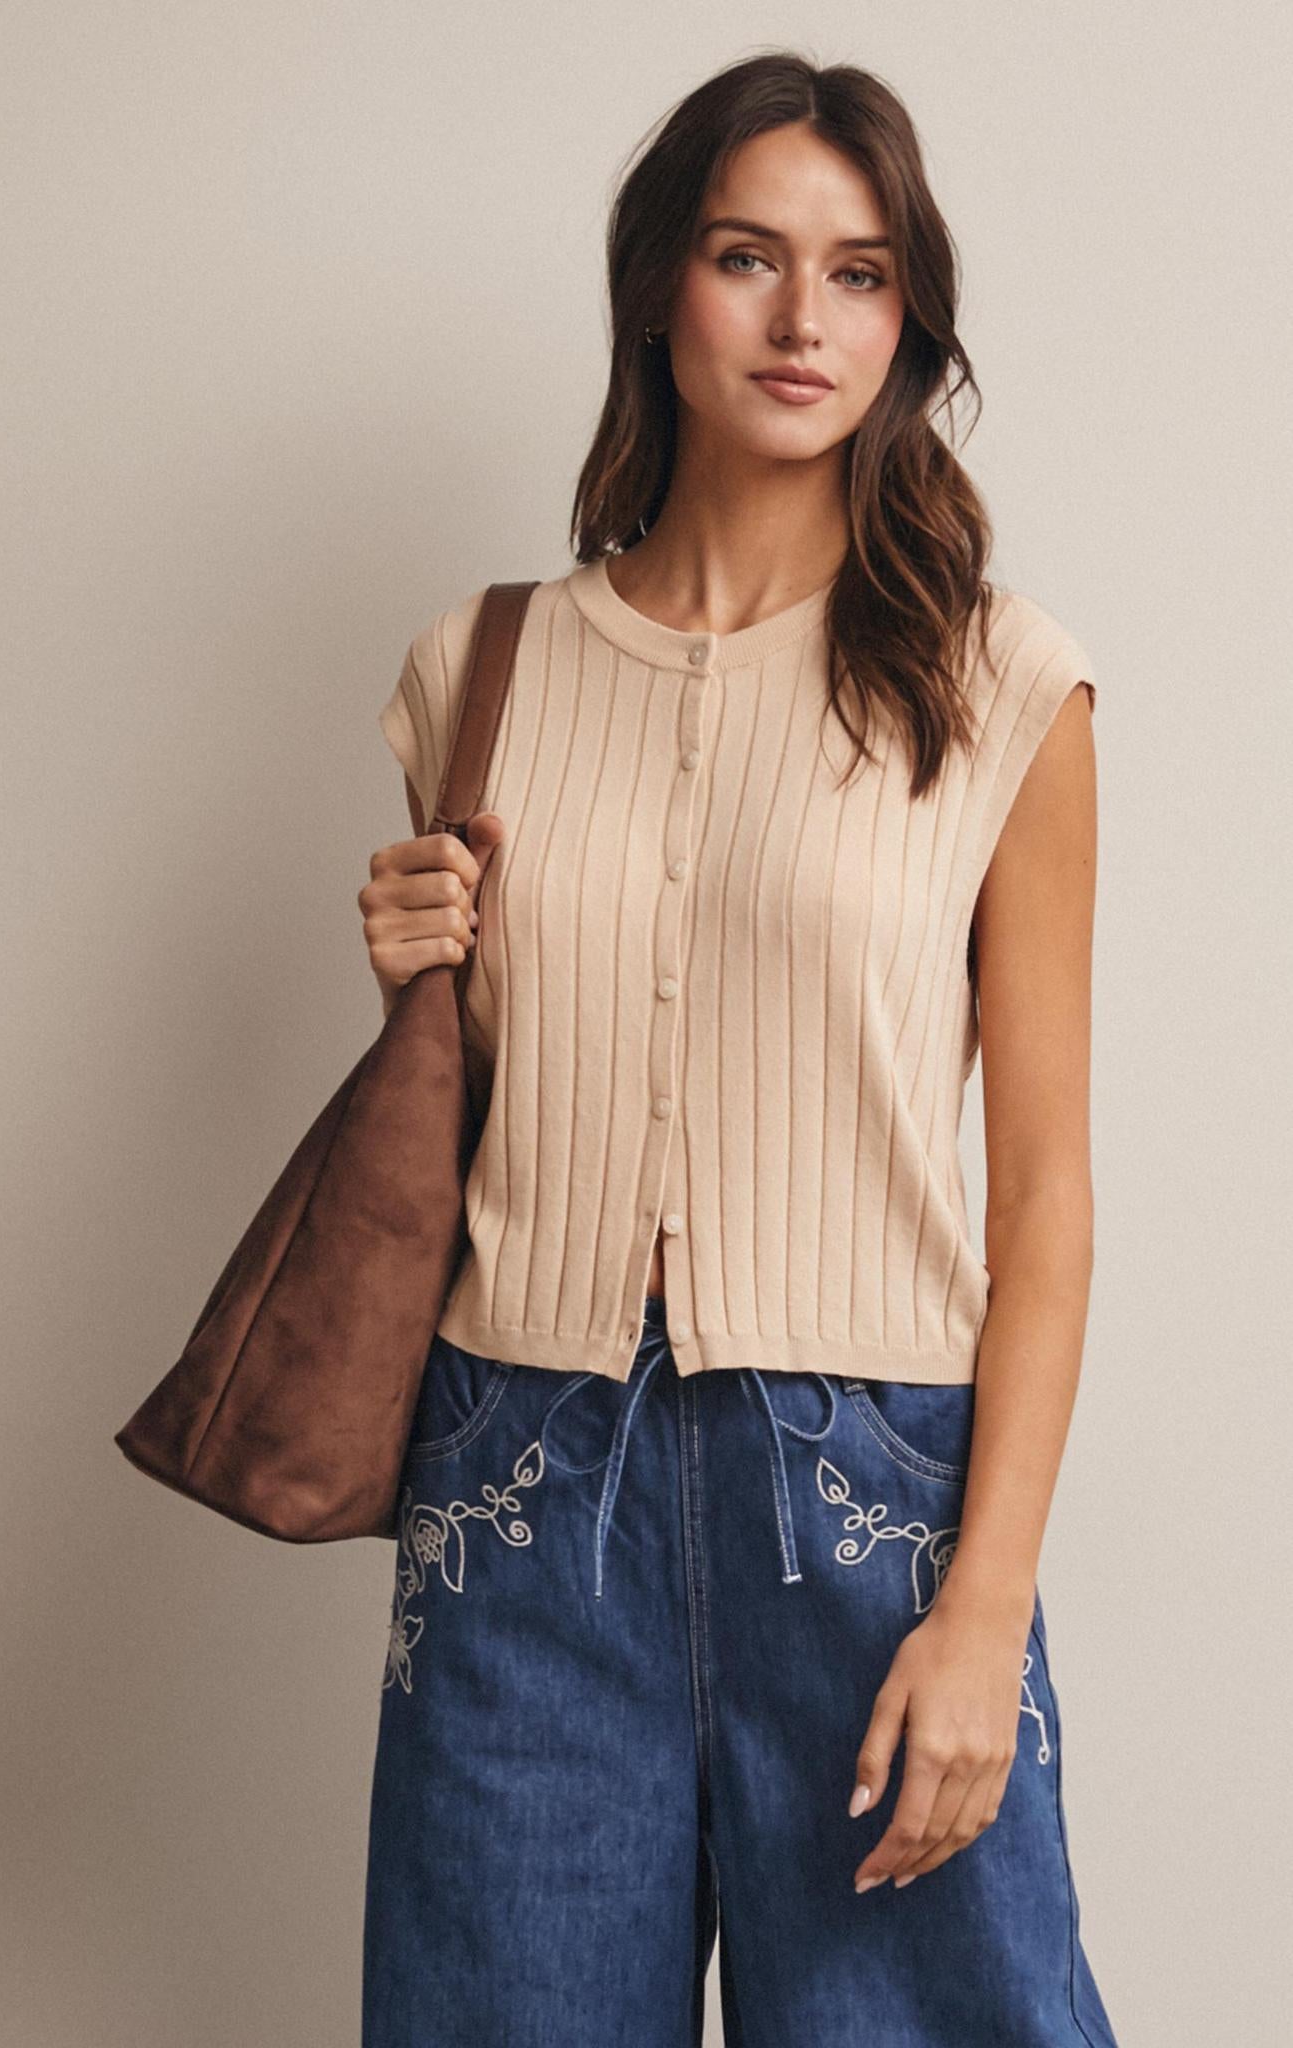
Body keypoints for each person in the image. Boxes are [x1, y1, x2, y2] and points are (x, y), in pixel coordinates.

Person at [355, 50, 1120, 2048]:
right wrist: (415, 995)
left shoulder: (998, 683)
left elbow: (1040, 1196)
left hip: (867, 1501)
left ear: (905, 320)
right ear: (655, 291)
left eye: (858, 274)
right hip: (525, 1486)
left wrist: (977, 1611)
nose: (802, 320)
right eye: (745, 256)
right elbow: (511, 1121)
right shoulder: (478, 670)